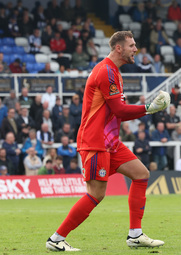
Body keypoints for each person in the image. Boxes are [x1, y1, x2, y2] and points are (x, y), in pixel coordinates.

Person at [46, 31, 169, 251]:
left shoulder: (114, 72)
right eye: (131, 45)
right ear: (119, 48)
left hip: (110, 142)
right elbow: (120, 110)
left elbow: (116, 111)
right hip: (95, 142)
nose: (135, 49)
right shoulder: (106, 72)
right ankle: (56, 239)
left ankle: (135, 234)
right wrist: (149, 108)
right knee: (96, 194)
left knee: (141, 175)